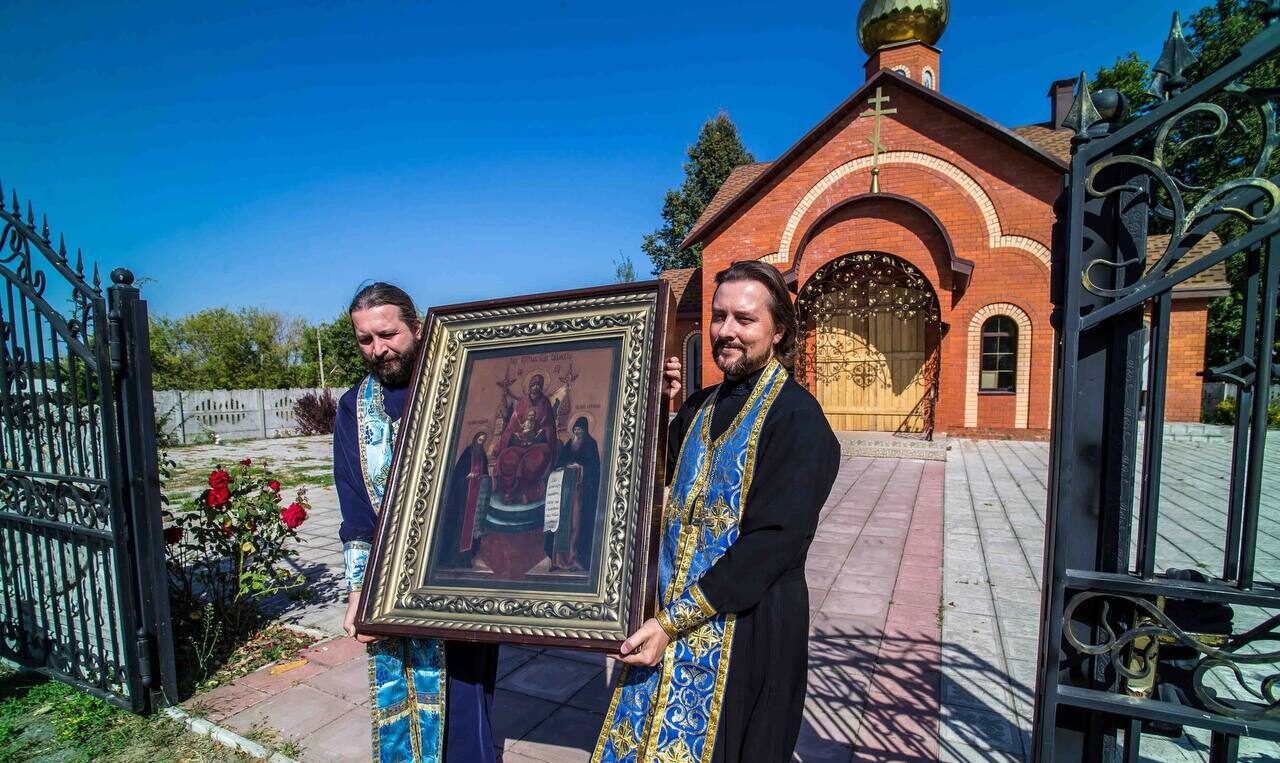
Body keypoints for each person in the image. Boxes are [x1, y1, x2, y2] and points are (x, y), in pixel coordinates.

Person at [594, 261, 841, 763]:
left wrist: (670, 623)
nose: (726, 331)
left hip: (749, 623)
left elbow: (773, 543)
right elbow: (651, 485)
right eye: (718, 316)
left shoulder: (798, 420)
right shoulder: (699, 407)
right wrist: (656, 409)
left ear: (778, 332)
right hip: (670, 612)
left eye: (744, 320)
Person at [334, 282, 498, 763]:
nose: (378, 349)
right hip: (393, 582)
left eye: (388, 334)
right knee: (402, 698)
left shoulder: (464, 386)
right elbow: (355, 505)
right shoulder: (354, 407)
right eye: (365, 340)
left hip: (462, 573)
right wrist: (358, 592)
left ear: (418, 327)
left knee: (467, 701)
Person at [545, 415, 601, 572]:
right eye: (575, 429)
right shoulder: (569, 444)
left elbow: (595, 468)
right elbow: (559, 463)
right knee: (561, 523)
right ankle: (557, 561)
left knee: (575, 525)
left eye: (580, 430)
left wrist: (581, 467)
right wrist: (562, 468)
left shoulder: (590, 445)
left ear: (585, 430)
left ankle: (572, 560)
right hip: (565, 492)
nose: (577, 433)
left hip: (579, 493)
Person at [493, 373, 558, 504]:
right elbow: (512, 425)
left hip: (538, 444)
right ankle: (509, 492)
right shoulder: (522, 403)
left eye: (539, 385)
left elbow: (550, 427)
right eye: (533, 385)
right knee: (507, 457)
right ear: (529, 386)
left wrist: (542, 432)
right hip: (520, 443)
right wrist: (515, 435)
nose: (536, 387)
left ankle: (526, 492)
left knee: (534, 460)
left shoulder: (545, 404)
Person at [439, 431, 489, 569]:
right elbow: (459, 471)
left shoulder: (483, 455)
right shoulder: (468, 452)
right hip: (464, 494)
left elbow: (484, 472)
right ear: (475, 439)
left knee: (472, 528)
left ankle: (466, 560)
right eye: (480, 439)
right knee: (460, 527)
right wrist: (468, 475)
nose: (481, 442)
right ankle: (453, 559)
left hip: (476, 494)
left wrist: (483, 478)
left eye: (483, 440)